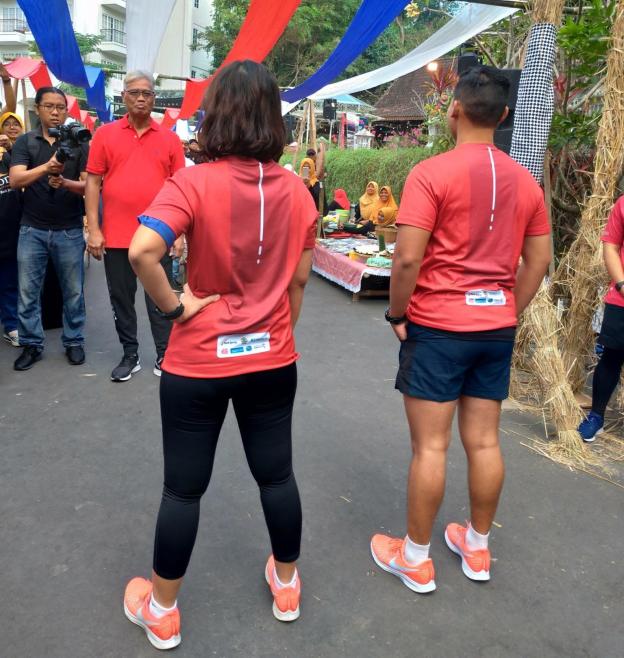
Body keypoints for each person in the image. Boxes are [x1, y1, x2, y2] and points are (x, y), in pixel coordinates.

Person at [121, 60, 317, 651]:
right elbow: (299, 281)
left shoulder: (193, 182)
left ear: (218, 115)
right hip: (272, 358)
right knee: (277, 475)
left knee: (183, 489)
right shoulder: (297, 191)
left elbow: (142, 251)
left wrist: (175, 308)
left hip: (198, 362)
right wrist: (276, 332)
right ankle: (287, 586)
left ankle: (162, 610)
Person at [371, 66, 551, 592]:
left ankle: (415, 558)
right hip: (495, 328)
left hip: (439, 327)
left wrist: (397, 314)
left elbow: (407, 258)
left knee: (431, 447)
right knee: (485, 442)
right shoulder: (526, 182)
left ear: (454, 109)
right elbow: (538, 261)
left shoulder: (431, 174)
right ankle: (477, 547)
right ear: (505, 115)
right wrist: (507, 309)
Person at [85, 71, 185, 382]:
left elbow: (180, 188)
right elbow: (93, 182)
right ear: (123, 97)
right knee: (121, 298)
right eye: (134, 93)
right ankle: (130, 354)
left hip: (159, 235)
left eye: (147, 93)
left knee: (160, 298)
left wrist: (179, 233)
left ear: (154, 99)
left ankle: (165, 354)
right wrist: (94, 229)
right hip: (115, 235)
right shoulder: (105, 135)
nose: (141, 98)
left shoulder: (170, 139)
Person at [9, 87, 88, 371]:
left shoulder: (79, 142)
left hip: (70, 229)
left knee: (74, 292)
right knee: (28, 292)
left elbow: (89, 186)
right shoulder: (26, 142)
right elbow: (16, 180)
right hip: (32, 229)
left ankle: (74, 340)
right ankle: (31, 344)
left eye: (60, 107)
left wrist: (66, 183)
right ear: (38, 109)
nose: (55, 112)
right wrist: (47, 167)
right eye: (49, 106)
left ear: (66, 111)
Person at [578, 195, 624, 442]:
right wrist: (621, 284)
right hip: (622, 299)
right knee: (611, 357)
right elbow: (611, 246)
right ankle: (596, 417)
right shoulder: (623, 204)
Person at [0, 110, 24, 347]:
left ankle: (11, 325)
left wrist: (10, 151)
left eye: (15, 123)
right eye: (6, 124)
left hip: (12, 227)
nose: (11, 127)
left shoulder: (16, 154)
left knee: (9, 280)